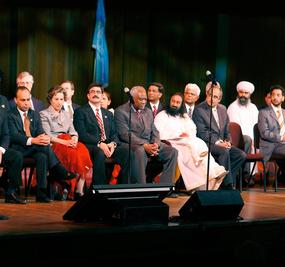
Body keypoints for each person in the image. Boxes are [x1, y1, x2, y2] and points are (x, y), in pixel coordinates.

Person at [8, 86, 77, 202]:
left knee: (43, 156)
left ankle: (41, 193)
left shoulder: (34, 114)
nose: (26, 103)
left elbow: (40, 132)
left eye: (28, 99)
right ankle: (59, 170)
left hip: (33, 148)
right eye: (23, 100)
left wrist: (43, 138)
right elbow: (14, 136)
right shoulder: (10, 115)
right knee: (43, 147)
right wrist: (33, 140)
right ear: (16, 100)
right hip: (18, 149)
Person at [154, 92, 228, 191]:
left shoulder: (184, 116)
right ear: (169, 102)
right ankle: (198, 184)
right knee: (188, 154)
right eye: (173, 101)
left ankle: (213, 173)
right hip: (171, 142)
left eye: (178, 102)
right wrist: (178, 134)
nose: (175, 104)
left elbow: (193, 129)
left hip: (187, 141)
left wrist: (187, 134)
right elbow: (158, 133)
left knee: (199, 146)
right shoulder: (162, 115)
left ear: (181, 104)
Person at [114, 85, 178, 184]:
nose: (144, 102)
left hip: (149, 144)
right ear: (132, 98)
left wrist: (156, 144)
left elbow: (154, 131)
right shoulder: (121, 111)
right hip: (130, 145)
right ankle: (141, 187)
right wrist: (144, 145)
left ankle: (166, 187)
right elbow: (125, 134)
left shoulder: (148, 111)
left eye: (145, 99)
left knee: (172, 152)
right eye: (140, 99)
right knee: (140, 151)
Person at [40, 85, 93, 200]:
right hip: (55, 143)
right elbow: (47, 135)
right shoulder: (44, 114)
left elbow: (73, 131)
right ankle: (69, 187)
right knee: (72, 153)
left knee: (82, 150)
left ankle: (79, 188)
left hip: (68, 141)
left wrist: (74, 139)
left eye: (61, 99)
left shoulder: (66, 114)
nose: (59, 102)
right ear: (50, 100)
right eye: (56, 99)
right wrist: (65, 143)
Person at [73, 83, 130, 185]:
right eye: (93, 92)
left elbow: (114, 133)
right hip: (90, 145)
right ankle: (99, 188)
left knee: (126, 151)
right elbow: (81, 134)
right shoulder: (80, 111)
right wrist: (99, 143)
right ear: (88, 95)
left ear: (102, 95)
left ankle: (123, 187)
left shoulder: (107, 113)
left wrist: (113, 144)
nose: (95, 94)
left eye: (98, 92)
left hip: (108, 145)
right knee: (99, 152)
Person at [192, 81, 246, 189]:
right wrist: (218, 143)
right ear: (207, 95)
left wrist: (228, 141)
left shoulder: (223, 109)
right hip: (207, 143)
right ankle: (227, 185)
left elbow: (227, 129)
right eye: (210, 95)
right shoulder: (199, 110)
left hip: (221, 144)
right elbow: (202, 133)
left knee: (241, 155)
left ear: (219, 99)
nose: (212, 98)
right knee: (224, 152)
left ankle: (223, 181)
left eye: (215, 97)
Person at [227, 81, 259, 185]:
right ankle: (244, 175)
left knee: (250, 140)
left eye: (246, 93)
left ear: (250, 94)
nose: (243, 95)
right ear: (238, 93)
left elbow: (256, 125)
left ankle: (246, 175)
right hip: (236, 140)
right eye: (241, 92)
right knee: (247, 139)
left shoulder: (253, 108)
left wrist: (255, 139)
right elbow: (234, 128)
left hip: (251, 140)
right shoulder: (233, 107)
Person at [258, 85, 285, 177]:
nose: (275, 97)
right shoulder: (263, 113)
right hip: (271, 145)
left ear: (283, 98)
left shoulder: (284, 112)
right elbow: (264, 133)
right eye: (273, 95)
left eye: (278, 95)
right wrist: (281, 137)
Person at [0, 108, 26, 204]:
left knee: (17, 156)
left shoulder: (2, 111)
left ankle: (11, 192)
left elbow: (6, 135)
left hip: (1, 149)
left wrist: (1, 150)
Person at [101, 90, 120, 184]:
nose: (101, 100)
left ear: (109, 101)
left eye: (103, 98)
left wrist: (113, 143)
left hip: (112, 143)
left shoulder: (113, 114)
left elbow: (115, 132)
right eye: (100, 98)